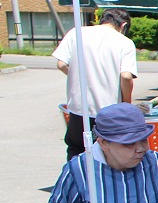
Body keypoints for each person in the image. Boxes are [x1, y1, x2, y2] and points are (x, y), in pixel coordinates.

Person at [52, 8, 137, 160]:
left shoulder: (76, 33)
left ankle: (76, 182)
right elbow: (125, 76)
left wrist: (81, 78)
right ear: (123, 26)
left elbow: (61, 64)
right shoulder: (124, 42)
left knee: (76, 150)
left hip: (79, 108)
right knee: (107, 153)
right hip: (109, 110)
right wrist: (126, 104)